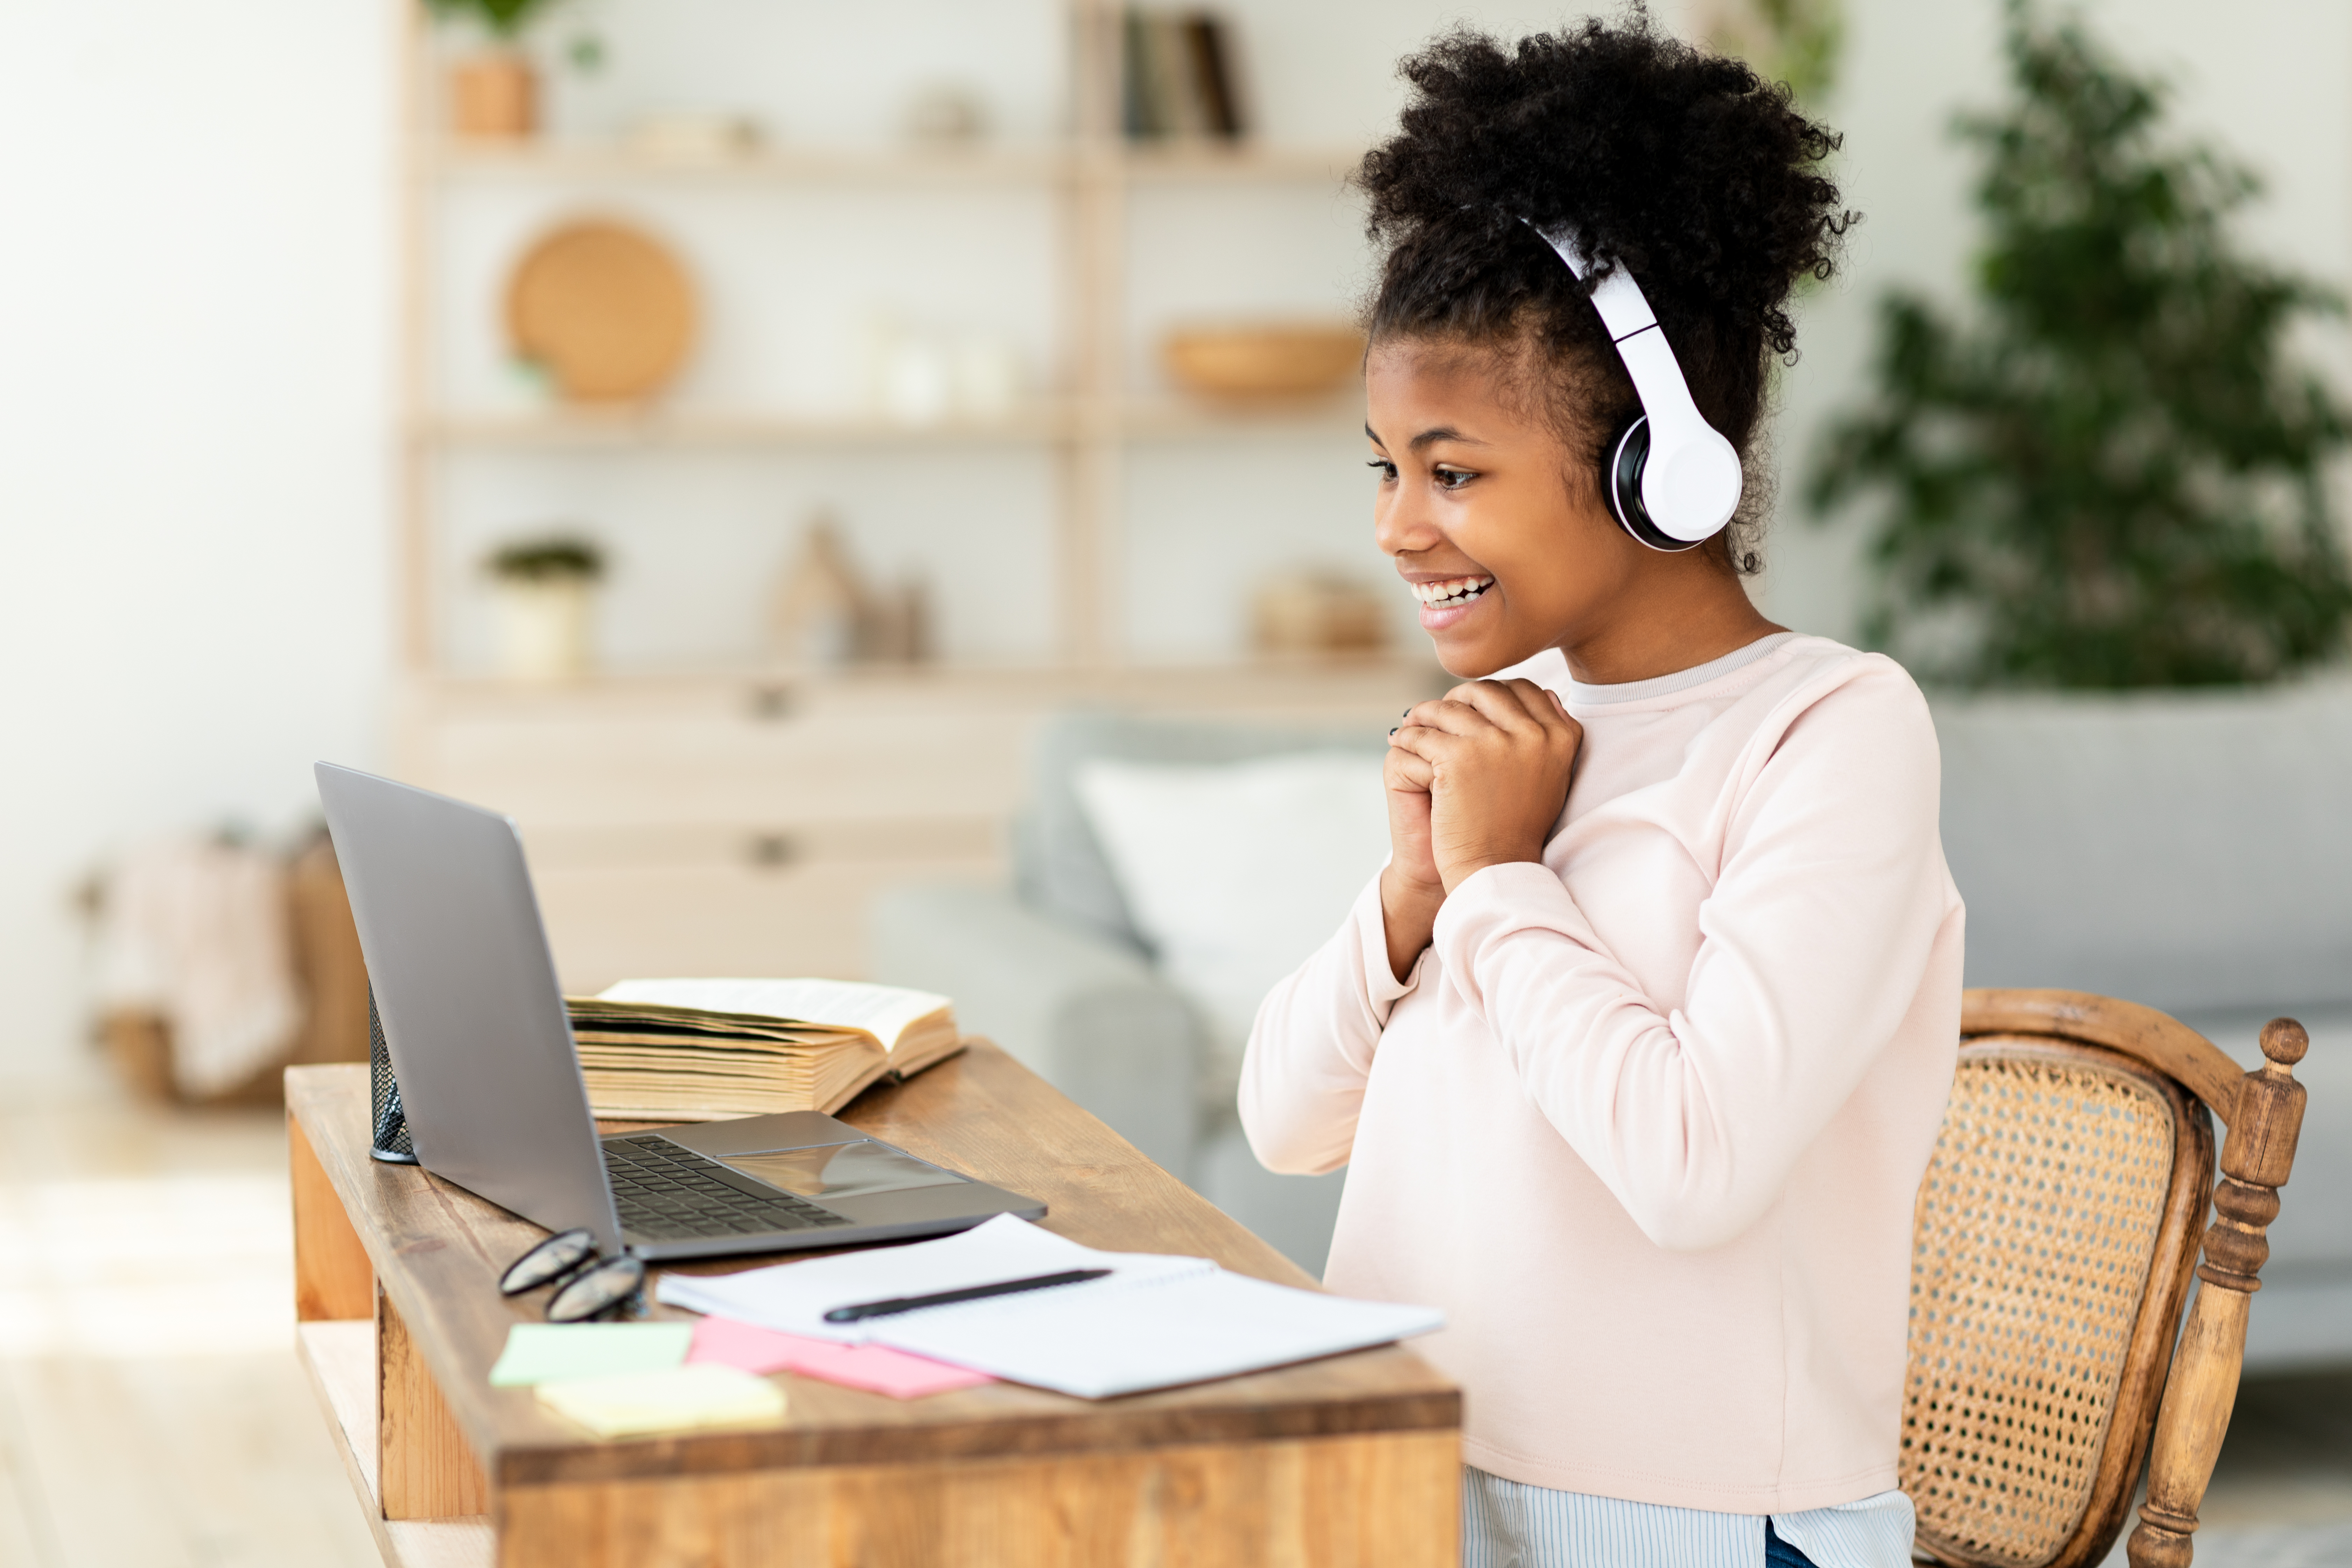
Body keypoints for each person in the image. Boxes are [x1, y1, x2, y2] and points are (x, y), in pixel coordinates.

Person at [1237, 15, 1963, 1568]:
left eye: (1452, 470)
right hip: (1414, 1476)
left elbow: (1696, 1166)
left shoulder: (1832, 731)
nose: (1396, 528)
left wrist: (1501, 883)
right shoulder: (1514, 727)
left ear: (1661, 466)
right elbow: (1283, 1121)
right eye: (1380, 467)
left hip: (1693, 1527)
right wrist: (1414, 897)